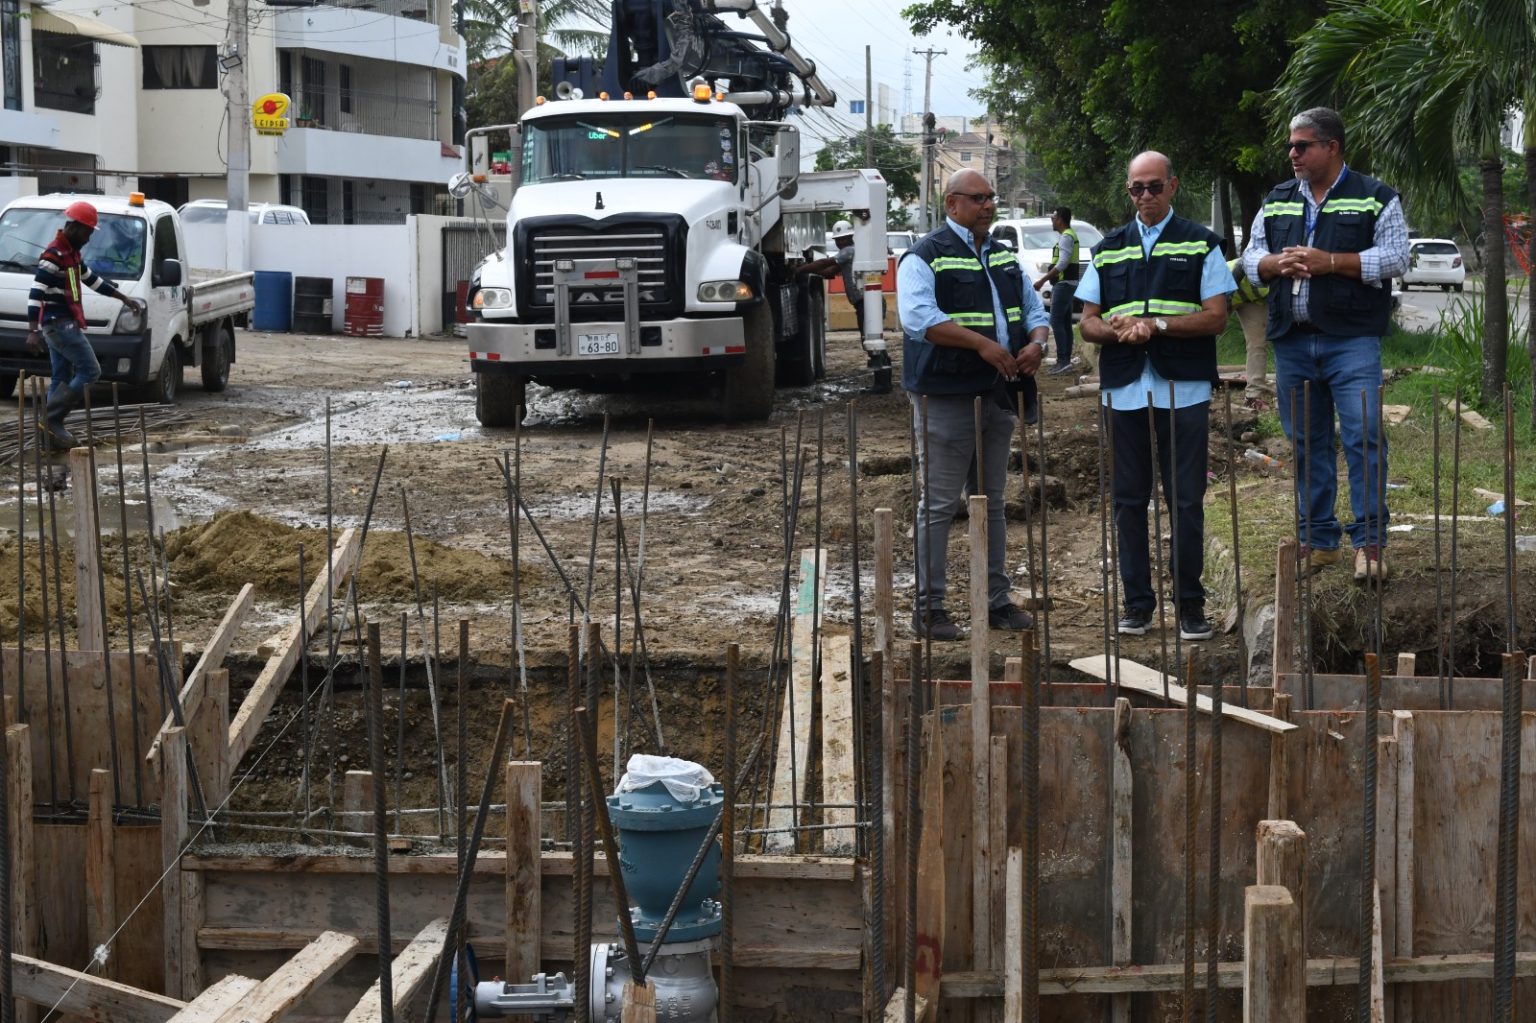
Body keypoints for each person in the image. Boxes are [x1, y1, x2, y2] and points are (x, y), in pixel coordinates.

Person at [1242, 107, 1409, 583]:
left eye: (1302, 146)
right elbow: (1251, 257)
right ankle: (1319, 541)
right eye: (1291, 146)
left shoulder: (1375, 196)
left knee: (1364, 437)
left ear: (1331, 147)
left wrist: (1330, 261)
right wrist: (1275, 264)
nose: (1292, 154)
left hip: (1351, 341)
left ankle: (1370, 545)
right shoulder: (1276, 201)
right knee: (1306, 443)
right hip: (1293, 342)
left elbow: (1397, 257)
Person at [1077, 151, 1234, 641]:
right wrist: (1114, 331)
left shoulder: (1201, 244)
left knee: (1186, 499)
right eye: (1136, 188)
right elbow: (1087, 321)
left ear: (1173, 186)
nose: (1145, 196)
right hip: (1124, 388)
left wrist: (1158, 325)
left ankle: (1190, 606)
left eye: (1153, 186)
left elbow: (1216, 316)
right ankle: (1138, 605)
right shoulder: (1109, 249)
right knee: (1128, 501)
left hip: (1181, 387)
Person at [898, 169, 1049, 641]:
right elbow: (920, 319)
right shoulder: (926, 256)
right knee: (940, 504)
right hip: (946, 393)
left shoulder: (1003, 260)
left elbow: (1035, 311)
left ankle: (995, 601)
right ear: (952, 204)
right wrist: (982, 345)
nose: (988, 205)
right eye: (978, 198)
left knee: (992, 502)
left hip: (997, 392)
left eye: (991, 198)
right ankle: (930, 609)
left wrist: (1038, 344)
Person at [26, 201, 143, 450]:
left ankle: (48, 436)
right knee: (91, 371)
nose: (89, 238)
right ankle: (52, 420)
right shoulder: (53, 256)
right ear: (76, 228)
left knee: (61, 376)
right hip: (58, 325)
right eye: (88, 232)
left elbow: (92, 280)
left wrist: (123, 298)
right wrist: (32, 330)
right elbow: (36, 293)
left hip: (62, 324)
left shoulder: (71, 255)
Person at [797, 220, 893, 392]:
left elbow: (824, 264)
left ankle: (882, 383)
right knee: (869, 341)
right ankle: (883, 381)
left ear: (850, 237)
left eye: (843, 238)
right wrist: (810, 271)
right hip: (864, 303)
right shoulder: (849, 254)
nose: (840, 242)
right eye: (838, 240)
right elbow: (829, 272)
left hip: (867, 303)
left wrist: (800, 269)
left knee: (871, 341)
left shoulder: (849, 251)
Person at [1034, 207, 1081, 376]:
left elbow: (1062, 264)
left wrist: (1042, 280)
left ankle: (1062, 361)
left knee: (1056, 321)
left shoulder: (1067, 236)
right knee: (1065, 322)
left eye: (1053, 217)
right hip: (1067, 283)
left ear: (1060, 219)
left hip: (1063, 284)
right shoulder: (1068, 235)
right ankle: (1065, 361)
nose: (1052, 221)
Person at [1228, 256, 1272, 408]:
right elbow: (1241, 265)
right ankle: (1201, 387)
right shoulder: (1271, 262)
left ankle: (1253, 396)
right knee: (1205, 337)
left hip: (1253, 298)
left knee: (1258, 342)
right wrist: (1224, 302)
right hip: (1225, 287)